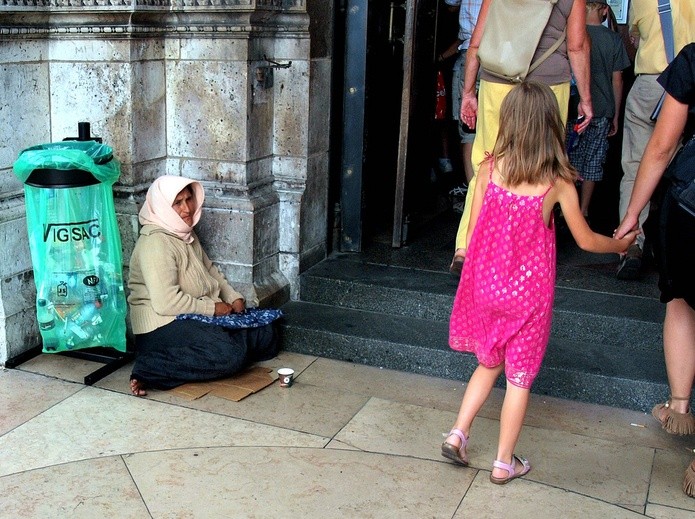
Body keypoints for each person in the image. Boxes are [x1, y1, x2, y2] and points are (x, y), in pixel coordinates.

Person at [442, 81, 637, 484]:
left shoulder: (489, 167)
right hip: (528, 295)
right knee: (519, 377)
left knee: (488, 361)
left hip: (487, 285)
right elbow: (584, 240)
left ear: (508, 122)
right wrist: (620, 244)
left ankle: (458, 433)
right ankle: (503, 462)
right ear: (552, 126)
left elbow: (475, 228)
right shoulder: (557, 181)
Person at [449, 0, 594, 276]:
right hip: (549, 87)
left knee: (486, 163)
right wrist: (585, 98)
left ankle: (465, 248)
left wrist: (468, 92)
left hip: (497, 81)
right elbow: (577, 46)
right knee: (542, 166)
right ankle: (521, 253)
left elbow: (476, 44)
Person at [614, 43, 695, 498]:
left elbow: (662, 146)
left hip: (691, 206)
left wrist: (632, 215)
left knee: (682, 298)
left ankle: (680, 406)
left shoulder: (694, 58)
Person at [127, 175, 279, 396]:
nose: (187, 208)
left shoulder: (183, 232)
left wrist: (233, 296)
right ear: (162, 206)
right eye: (177, 203)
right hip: (162, 326)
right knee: (229, 355)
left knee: (268, 335)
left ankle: (226, 342)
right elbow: (165, 303)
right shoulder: (155, 242)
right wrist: (213, 309)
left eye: (189, 199)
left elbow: (210, 270)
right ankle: (149, 368)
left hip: (193, 315)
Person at [616, 0, 694, 280]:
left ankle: (631, 243)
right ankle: (672, 243)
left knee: (636, 165)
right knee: (685, 169)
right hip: (690, 82)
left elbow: (634, 37)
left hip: (651, 83)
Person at [567, 0, 630, 222]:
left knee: (569, 158)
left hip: (573, 108)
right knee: (592, 162)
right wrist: (615, 114)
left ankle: (568, 210)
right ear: (604, 10)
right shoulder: (613, 39)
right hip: (602, 110)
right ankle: (583, 211)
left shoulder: (572, 35)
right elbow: (618, 80)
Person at [442, 0, 483, 234]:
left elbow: (449, 4)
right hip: (499, 61)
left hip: (469, 53)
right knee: (495, 128)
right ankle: (490, 195)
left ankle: (474, 194)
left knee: (468, 130)